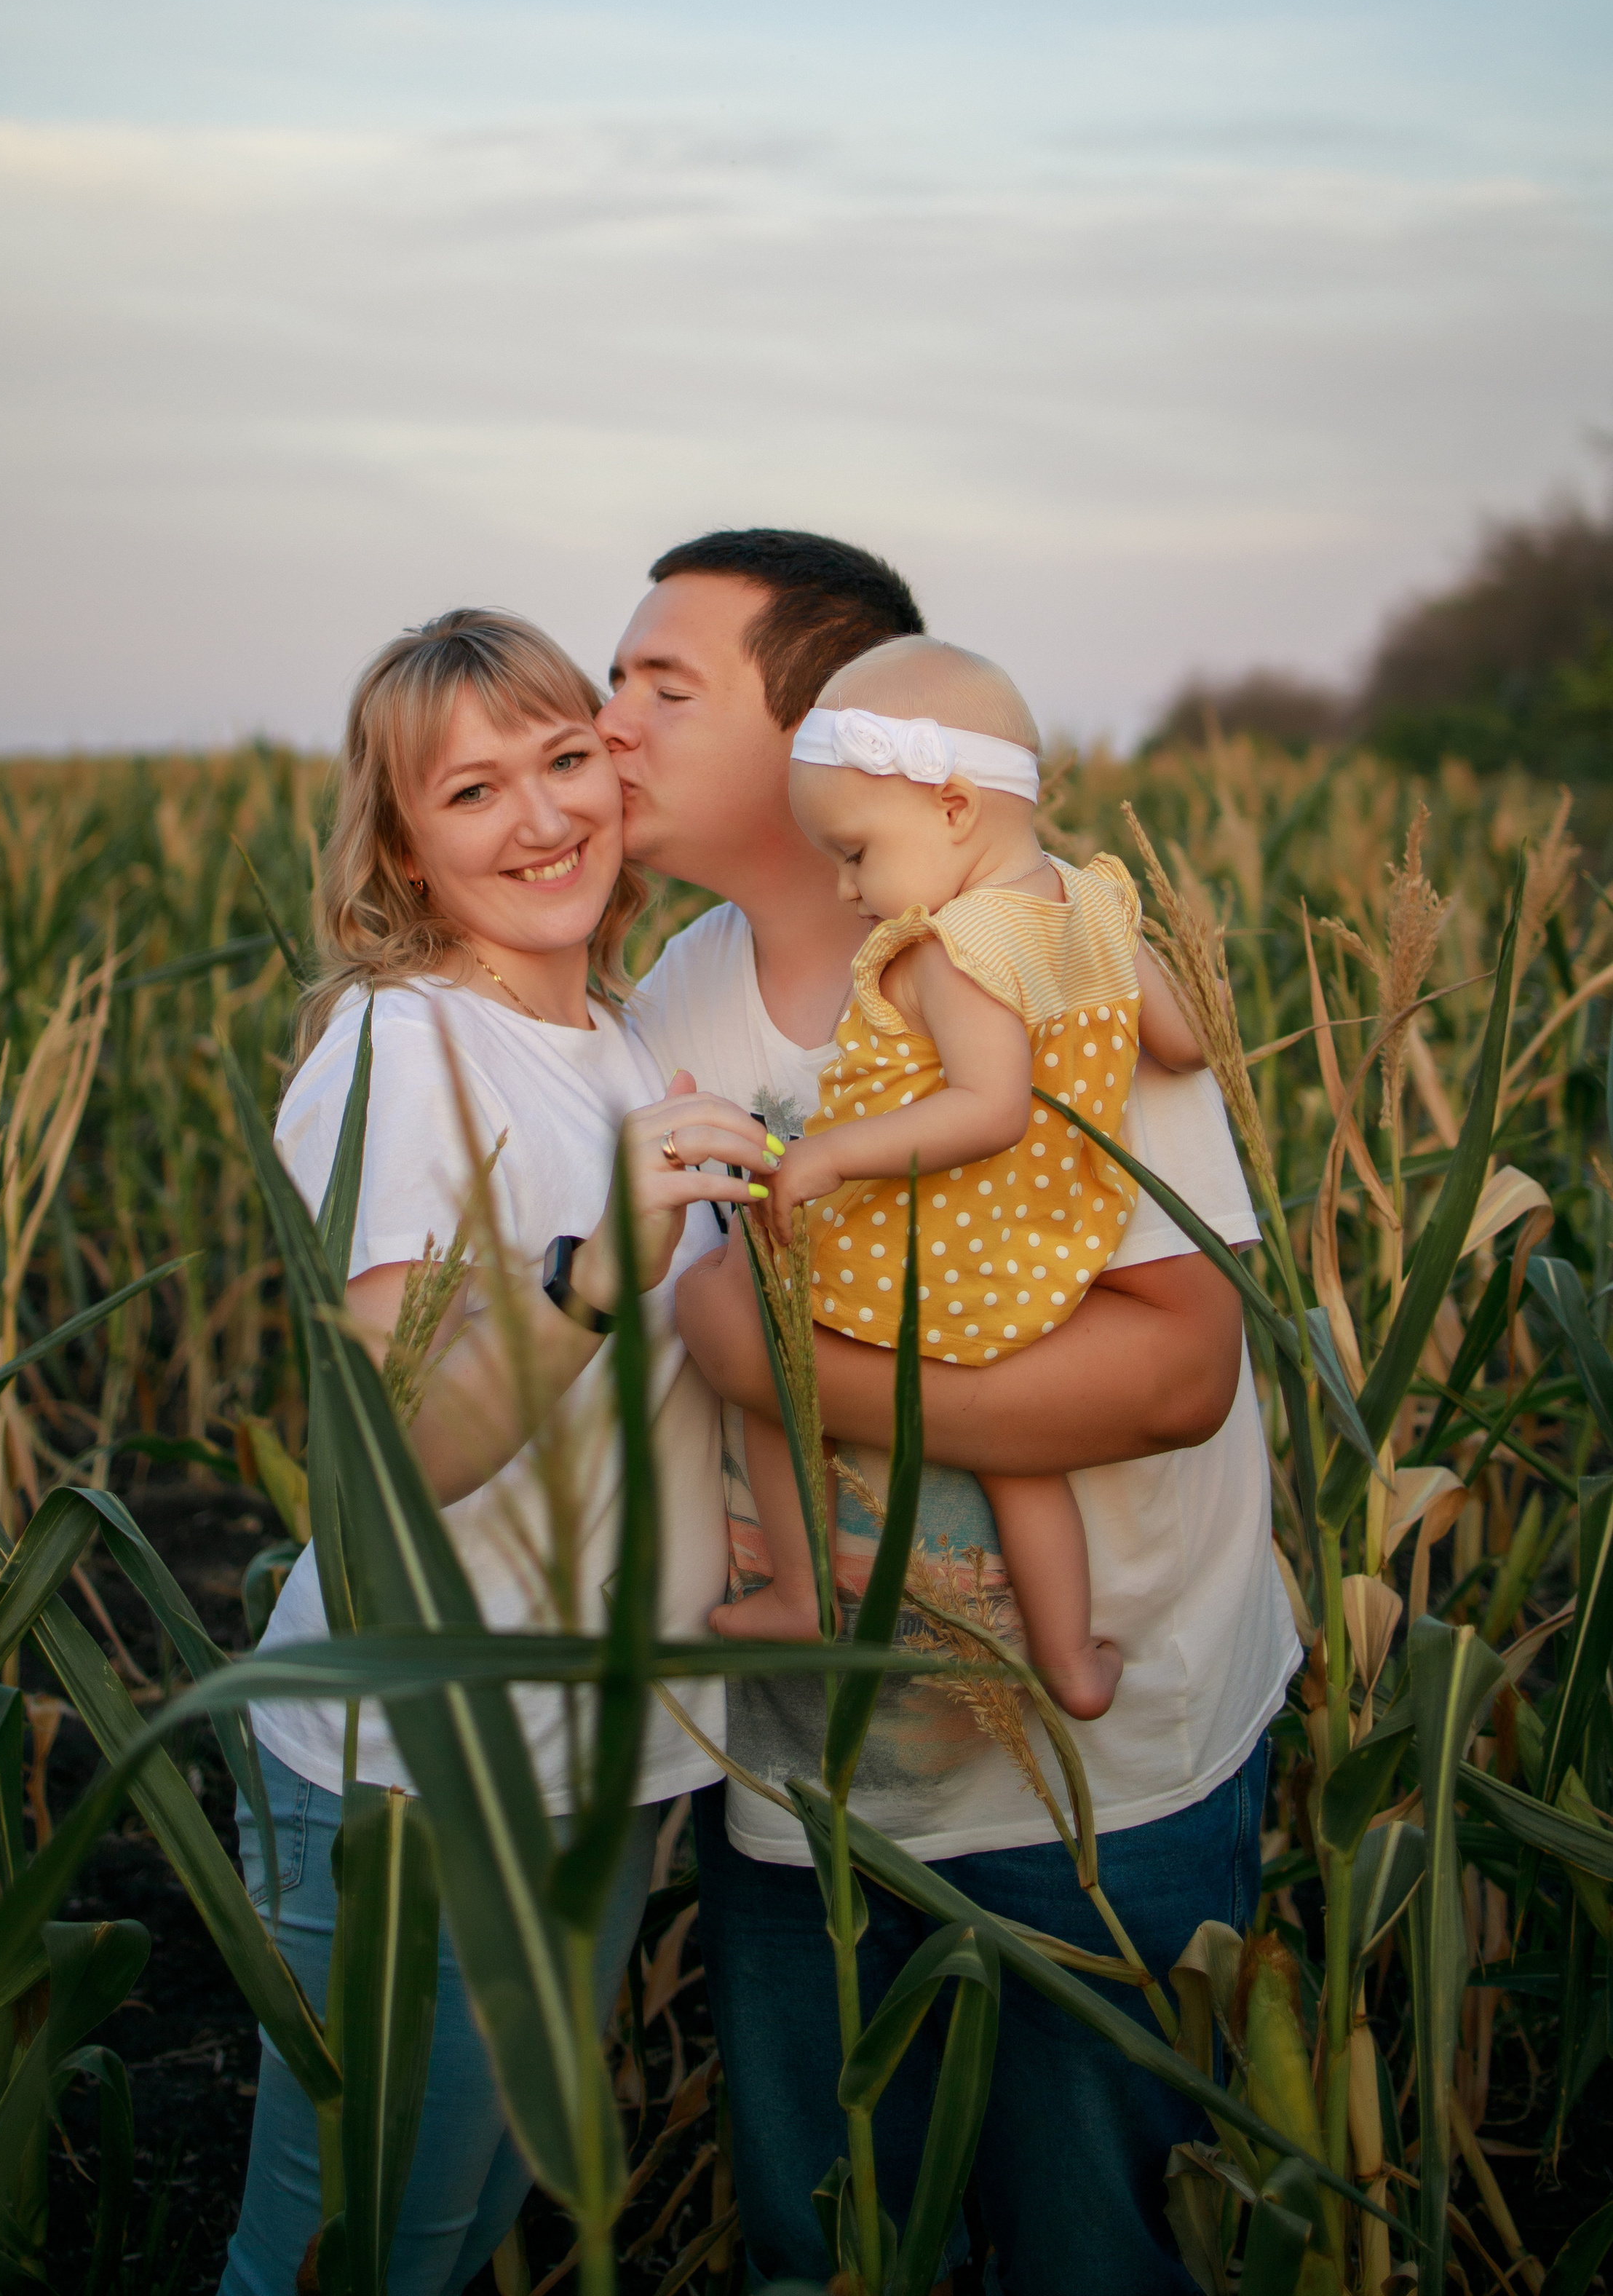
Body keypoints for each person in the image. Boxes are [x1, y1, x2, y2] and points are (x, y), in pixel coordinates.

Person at [598, 530, 1301, 2296]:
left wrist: (759, 1355)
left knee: (1091, 2262)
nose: (603, 724)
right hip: (810, 1799)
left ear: (827, 730)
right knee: (830, 2254)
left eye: (655, 686)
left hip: (1097, 1801)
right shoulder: (674, 994)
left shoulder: (1024, 953)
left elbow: (1173, 1369)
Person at [221, 609, 775, 2296]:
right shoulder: (402, 1049)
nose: (540, 818)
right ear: (400, 843)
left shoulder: (605, 1043)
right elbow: (399, 1460)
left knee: (448, 2239)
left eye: (560, 760)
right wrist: (597, 1263)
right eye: (472, 791)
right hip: (426, 1779)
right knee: (345, 2257)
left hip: (593, 1754)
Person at [713, 634, 1207, 1726]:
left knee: (757, 1349)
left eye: (852, 852)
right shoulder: (1094, 906)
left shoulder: (953, 945)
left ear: (950, 810)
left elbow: (988, 1109)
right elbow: (1186, 1042)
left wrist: (830, 1152)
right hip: (1041, 1254)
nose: (846, 888)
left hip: (928, 1241)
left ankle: (800, 1594)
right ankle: (1070, 1659)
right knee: (1021, 1465)